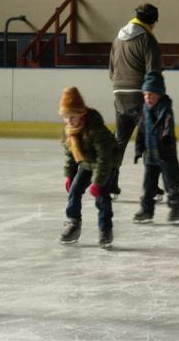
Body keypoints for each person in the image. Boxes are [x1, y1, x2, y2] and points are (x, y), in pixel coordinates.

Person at [108, 3, 163, 200]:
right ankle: (151, 188)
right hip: (139, 95)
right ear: (152, 21)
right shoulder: (147, 38)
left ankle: (109, 184)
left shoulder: (118, 38)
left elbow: (111, 70)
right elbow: (153, 72)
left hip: (119, 93)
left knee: (119, 140)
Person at [58, 87, 117, 249]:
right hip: (87, 163)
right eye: (65, 117)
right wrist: (69, 175)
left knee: (102, 197)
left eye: (73, 117)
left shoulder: (96, 129)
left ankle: (105, 230)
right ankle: (74, 224)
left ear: (81, 114)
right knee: (74, 191)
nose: (69, 121)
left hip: (106, 164)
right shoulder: (69, 130)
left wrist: (98, 182)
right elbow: (70, 154)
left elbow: (104, 158)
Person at [133, 71, 179, 225]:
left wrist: (167, 138)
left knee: (171, 184)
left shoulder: (166, 110)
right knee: (148, 185)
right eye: (146, 95)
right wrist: (139, 148)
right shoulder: (145, 110)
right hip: (150, 155)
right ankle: (146, 210)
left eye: (152, 95)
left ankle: (175, 210)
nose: (148, 98)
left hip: (166, 153)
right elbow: (141, 131)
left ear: (160, 95)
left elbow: (168, 126)